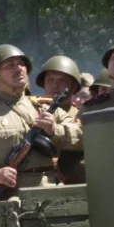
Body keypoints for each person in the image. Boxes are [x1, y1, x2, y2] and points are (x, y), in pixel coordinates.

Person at [0, 45, 81, 201]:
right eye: (10, 65)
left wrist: (56, 130)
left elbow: (86, 135)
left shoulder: (44, 106)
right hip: (6, 200)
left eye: (22, 64)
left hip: (48, 194)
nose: (18, 69)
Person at [34, 55, 87, 184]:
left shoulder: (82, 114)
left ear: (74, 86)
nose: (55, 85)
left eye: (62, 80)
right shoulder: (33, 110)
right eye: (50, 80)